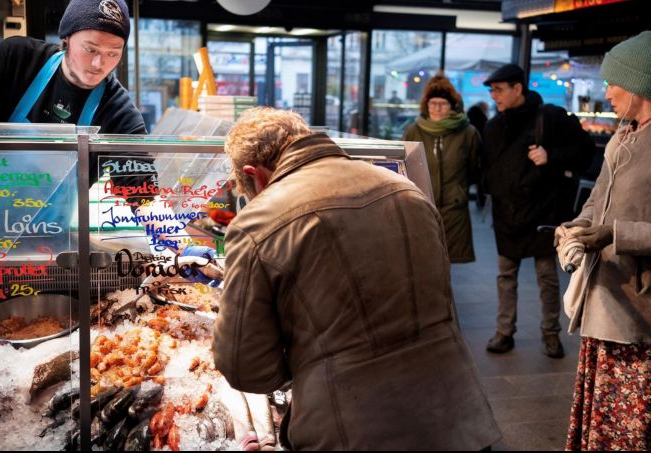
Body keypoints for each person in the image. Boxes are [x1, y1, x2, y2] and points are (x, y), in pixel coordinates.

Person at [212, 107, 500, 450]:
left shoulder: (257, 221)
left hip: (351, 428)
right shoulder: (406, 189)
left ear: (254, 175)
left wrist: (303, 362)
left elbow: (246, 368)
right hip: (458, 416)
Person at [0, 0, 217, 284]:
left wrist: (181, 244)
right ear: (67, 37)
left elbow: (144, 195)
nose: (100, 64)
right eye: (91, 49)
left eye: (113, 53)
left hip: (42, 246)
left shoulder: (119, 112)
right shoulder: (17, 58)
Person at [556, 31, 651, 451]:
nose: (606, 91)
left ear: (639, 85)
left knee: (639, 429)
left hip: (649, 316)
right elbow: (597, 201)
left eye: (613, 82)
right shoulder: (623, 135)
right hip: (608, 301)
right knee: (608, 424)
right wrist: (576, 227)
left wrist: (615, 234)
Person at [482, 63, 595, 358]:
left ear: (518, 88)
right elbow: (486, 168)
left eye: (498, 90)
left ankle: (551, 333)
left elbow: (587, 152)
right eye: (492, 91)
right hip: (507, 213)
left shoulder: (552, 118)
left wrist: (551, 156)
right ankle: (504, 332)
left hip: (543, 212)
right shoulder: (494, 127)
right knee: (506, 275)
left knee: (546, 275)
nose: (494, 96)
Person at [402, 74, 481, 263]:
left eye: (442, 104)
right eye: (433, 103)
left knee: (447, 263)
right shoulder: (414, 130)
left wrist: (458, 191)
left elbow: (474, 169)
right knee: (422, 261)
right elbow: (404, 166)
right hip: (421, 206)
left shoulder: (468, 133)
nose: (437, 108)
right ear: (426, 106)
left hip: (454, 208)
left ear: (452, 106)